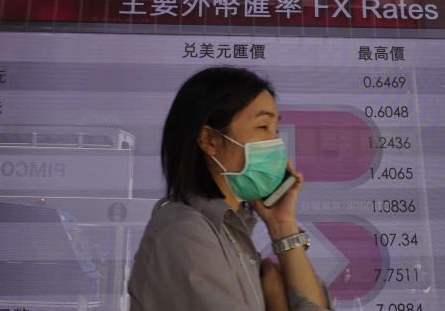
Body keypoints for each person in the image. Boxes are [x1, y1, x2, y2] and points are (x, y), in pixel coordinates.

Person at [128, 67, 332, 311]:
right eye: (262, 127)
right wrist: (277, 300)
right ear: (209, 140)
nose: (276, 142)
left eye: (275, 130)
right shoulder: (184, 233)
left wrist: (282, 226)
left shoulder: (229, 231)